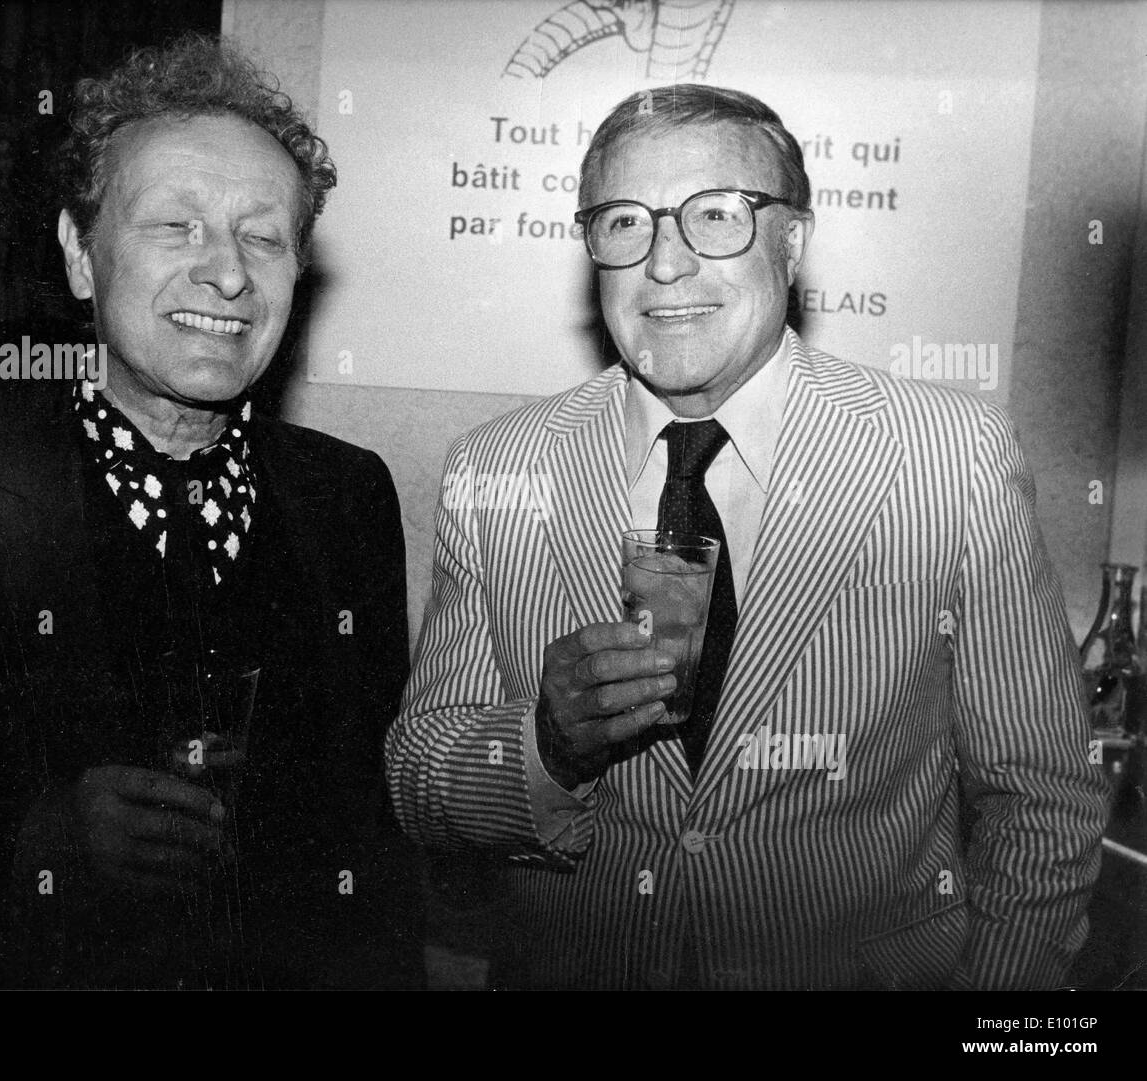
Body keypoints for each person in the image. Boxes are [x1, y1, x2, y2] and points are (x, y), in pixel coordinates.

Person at [387, 84, 1107, 990]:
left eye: (717, 216)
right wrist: (543, 745)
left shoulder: (949, 456)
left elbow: (1041, 794)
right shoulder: (495, 468)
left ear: (794, 242)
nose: (666, 265)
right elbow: (418, 779)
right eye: (624, 223)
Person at [0, 33, 421, 989]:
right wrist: (34, 832)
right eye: (176, 226)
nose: (227, 273)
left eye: (263, 235)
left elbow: (370, 831)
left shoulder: (347, 495)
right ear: (80, 254)